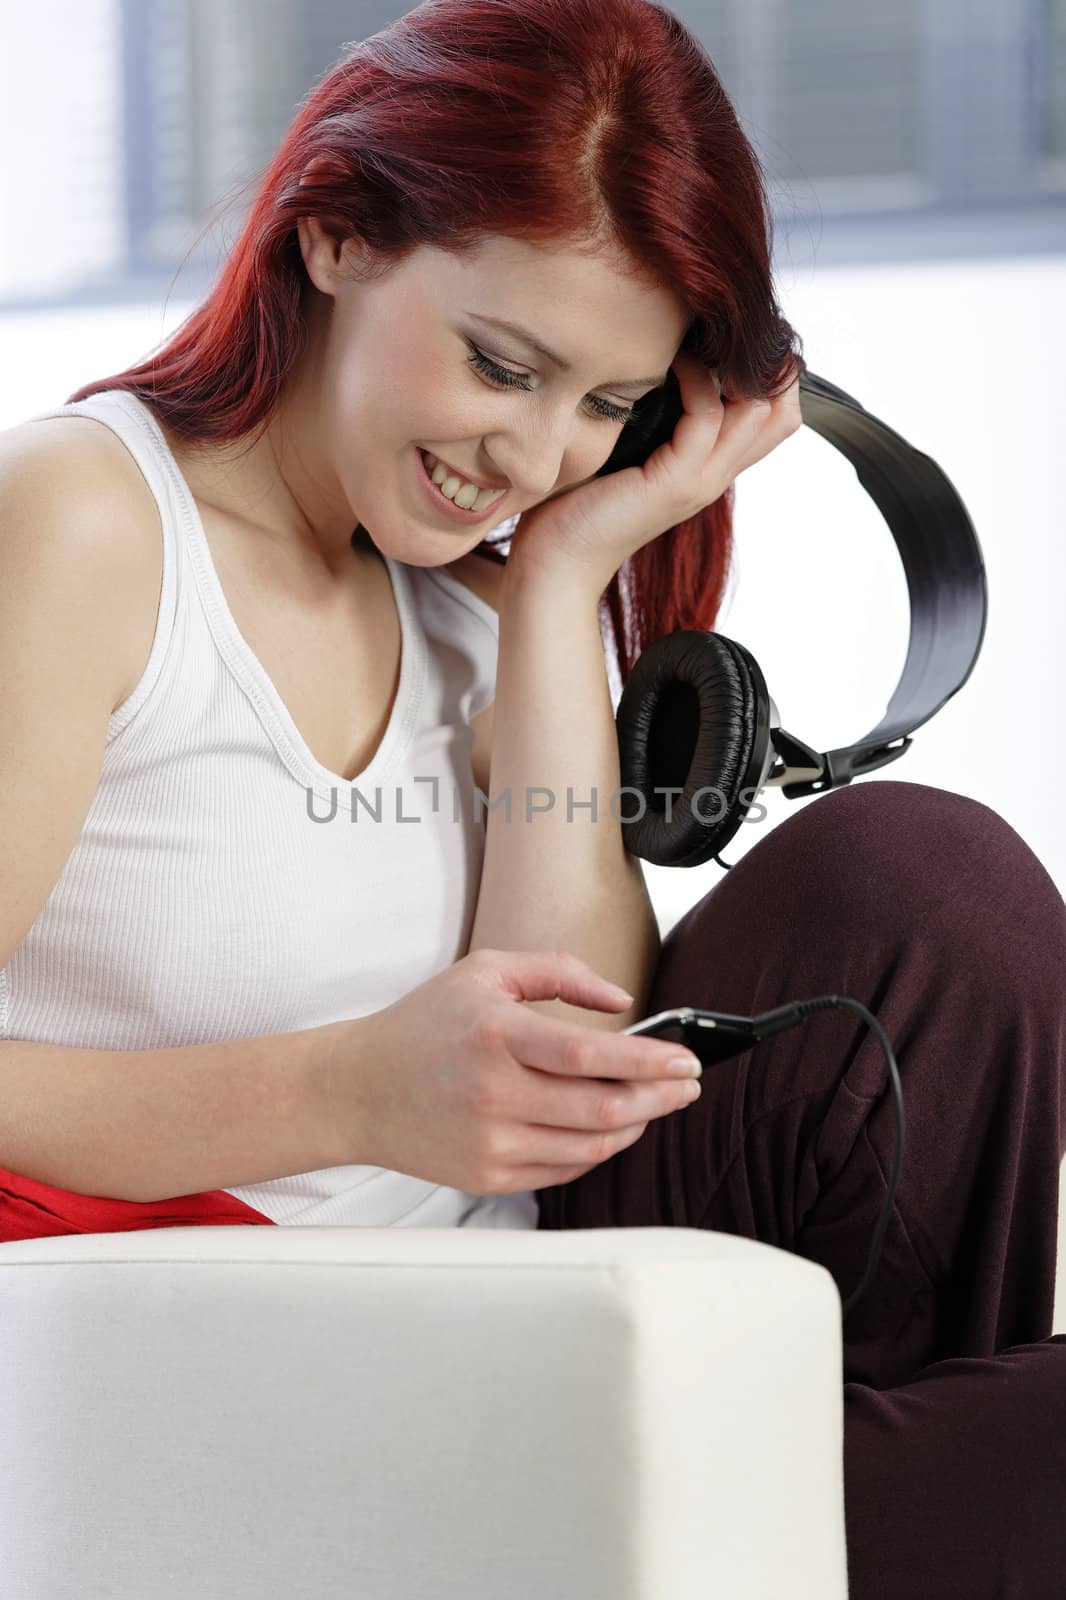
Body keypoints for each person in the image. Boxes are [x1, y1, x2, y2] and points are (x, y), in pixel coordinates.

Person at [0, 0, 1062, 1593]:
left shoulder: (482, 594)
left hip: (537, 1308)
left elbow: (581, 1033)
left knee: (928, 884)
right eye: (504, 364)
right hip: (266, 1369)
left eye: (604, 407)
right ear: (338, 236)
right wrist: (344, 1093)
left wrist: (568, 581)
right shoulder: (83, 523)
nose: (532, 454)